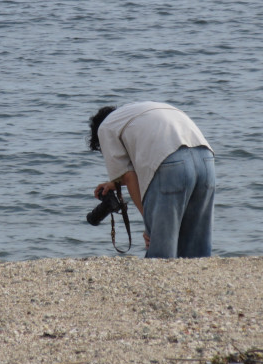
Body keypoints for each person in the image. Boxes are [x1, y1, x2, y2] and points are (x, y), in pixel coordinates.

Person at [88, 102, 215, 259]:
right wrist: (116, 183)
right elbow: (152, 157)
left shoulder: (105, 128)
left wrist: (150, 224)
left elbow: (129, 175)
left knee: (161, 256)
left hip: (171, 165)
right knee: (196, 252)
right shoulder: (138, 113)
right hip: (206, 160)